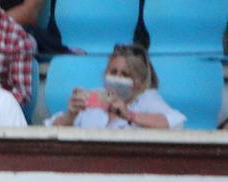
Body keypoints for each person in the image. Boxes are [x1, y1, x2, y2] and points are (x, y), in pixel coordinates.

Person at [45, 44, 185, 131]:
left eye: (125, 74)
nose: (117, 78)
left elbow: (175, 122)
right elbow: (50, 129)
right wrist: (71, 115)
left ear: (139, 83)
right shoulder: (95, 96)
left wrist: (130, 115)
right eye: (113, 72)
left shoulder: (146, 98)